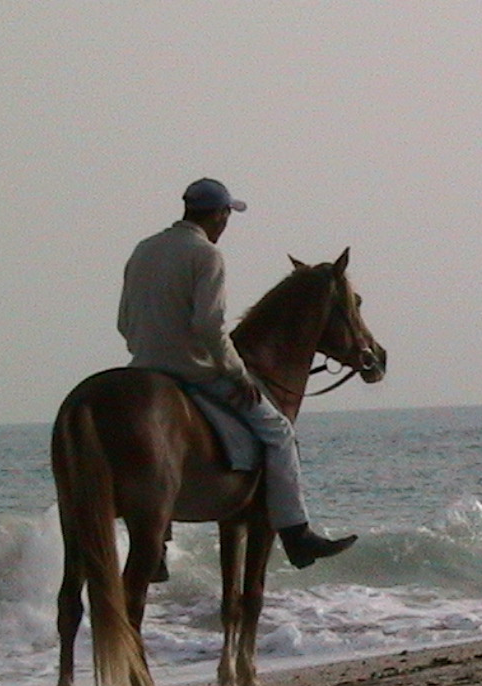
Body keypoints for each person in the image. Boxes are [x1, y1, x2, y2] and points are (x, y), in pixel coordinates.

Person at [117, 178, 357, 580]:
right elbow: (210, 327)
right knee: (278, 430)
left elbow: (124, 322)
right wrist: (235, 372)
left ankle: (155, 545)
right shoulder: (206, 255)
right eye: (227, 215)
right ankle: (297, 534)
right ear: (219, 214)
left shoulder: (144, 249)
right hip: (191, 369)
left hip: (142, 367)